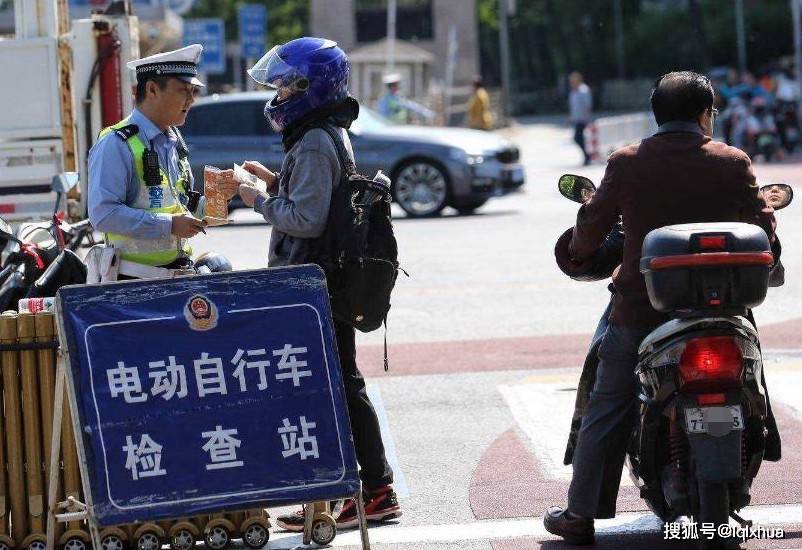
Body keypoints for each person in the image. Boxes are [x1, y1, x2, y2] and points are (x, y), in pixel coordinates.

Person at [547, 71, 776, 545]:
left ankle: (580, 513)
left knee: (607, 402)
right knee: (752, 381)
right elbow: (764, 225)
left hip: (641, 310)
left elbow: (591, 228)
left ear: (657, 114)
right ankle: (758, 446)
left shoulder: (627, 162)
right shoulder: (732, 161)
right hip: (725, 308)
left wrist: (581, 247)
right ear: (704, 114)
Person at [231, 37, 401, 532]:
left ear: (310, 87)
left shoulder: (313, 139)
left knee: (340, 386)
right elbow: (318, 196)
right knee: (335, 384)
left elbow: (305, 219)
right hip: (326, 279)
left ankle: (374, 490)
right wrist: (275, 180)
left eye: (285, 86)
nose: (278, 95)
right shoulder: (327, 132)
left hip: (315, 285)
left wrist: (255, 197)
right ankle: (337, 494)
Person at [88, 44, 238, 276]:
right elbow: (103, 214)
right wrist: (168, 225)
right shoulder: (116, 143)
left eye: (193, 92)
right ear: (152, 89)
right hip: (132, 281)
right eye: (183, 90)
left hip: (176, 275)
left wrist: (217, 201)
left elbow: (180, 207)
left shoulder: (173, 141)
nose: (191, 100)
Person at [568, 71, 593, 166]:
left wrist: (587, 118)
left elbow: (588, 105)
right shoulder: (573, 91)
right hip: (576, 119)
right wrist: (570, 118)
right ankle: (587, 156)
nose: (571, 82)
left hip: (582, 119)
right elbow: (573, 107)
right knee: (579, 138)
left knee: (577, 138)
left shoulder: (584, 90)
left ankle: (588, 156)